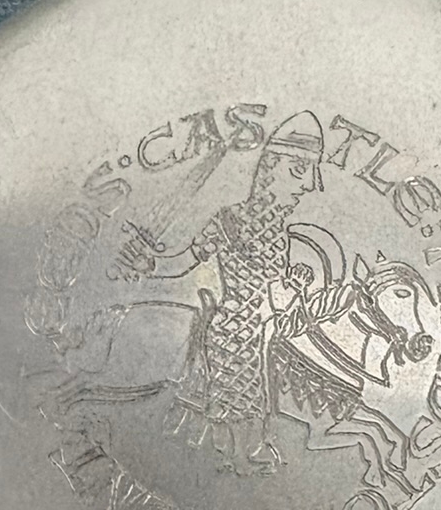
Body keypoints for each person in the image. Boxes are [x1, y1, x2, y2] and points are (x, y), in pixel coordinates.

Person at [112, 112, 326, 471]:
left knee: (260, 394)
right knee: (241, 395)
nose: (309, 185)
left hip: (262, 328)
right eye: (300, 170)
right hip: (233, 326)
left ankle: (244, 453)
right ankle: (240, 456)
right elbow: (186, 261)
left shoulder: (280, 232)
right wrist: (148, 266)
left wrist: (295, 285)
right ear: (270, 168)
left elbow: (275, 288)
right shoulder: (230, 219)